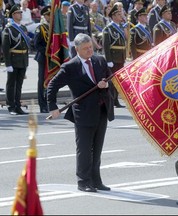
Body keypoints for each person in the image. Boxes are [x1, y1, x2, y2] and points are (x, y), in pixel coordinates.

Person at [47, 33, 114, 193]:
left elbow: (111, 79)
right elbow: (52, 85)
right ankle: (83, 181)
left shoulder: (99, 60)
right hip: (83, 113)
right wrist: (52, 106)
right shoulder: (70, 66)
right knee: (84, 149)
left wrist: (106, 85)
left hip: (102, 110)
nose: (90, 50)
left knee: (97, 148)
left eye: (91, 47)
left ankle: (96, 180)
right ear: (77, 49)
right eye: (85, 48)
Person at [2, 4, 30, 115]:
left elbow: (26, 47)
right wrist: (7, 64)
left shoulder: (23, 28)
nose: (20, 14)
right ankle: (11, 106)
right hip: (13, 60)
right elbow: (5, 48)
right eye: (18, 13)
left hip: (22, 60)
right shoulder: (9, 29)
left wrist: (26, 61)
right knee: (11, 84)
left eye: (20, 13)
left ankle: (18, 105)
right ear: (13, 15)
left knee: (19, 85)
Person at [102, 4, 126, 108]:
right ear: (113, 16)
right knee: (112, 82)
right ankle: (111, 100)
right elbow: (106, 45)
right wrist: (108, 60)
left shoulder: (120, 27)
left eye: (121, 14)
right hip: (113, 58)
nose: (121, 16)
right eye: (118, 14)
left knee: (118, 81)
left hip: (120, 58)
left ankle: (116, 100)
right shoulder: (108, 29)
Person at [33, 5, 50, 113]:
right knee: (42, 81)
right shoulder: (41, 28)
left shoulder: (54, 28)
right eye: (48, 15)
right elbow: (36, 44)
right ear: (44, 16)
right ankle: (42, 104)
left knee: (51, 80)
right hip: (43, 57)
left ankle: (49, 103)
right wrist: (47, 52)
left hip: (51, 58)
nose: (50, 17)